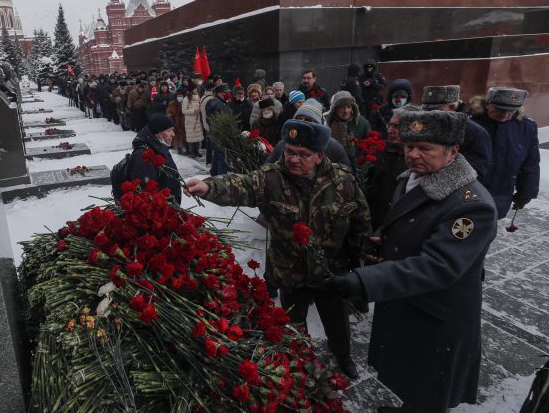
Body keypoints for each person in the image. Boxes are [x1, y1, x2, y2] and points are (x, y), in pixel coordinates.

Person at [328, 109, 497, 413]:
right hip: (406, 301)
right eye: (409, 147)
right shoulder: (413, 179)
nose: (413, 155)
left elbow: (438, 266)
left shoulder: (473, 206)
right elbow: (410, 223)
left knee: (426, 391)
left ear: (452, 152)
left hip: (435, 317)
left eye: (425, 148)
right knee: (402, 379)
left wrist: (367, 280)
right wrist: (384, 239)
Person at [185, 120, 372, 379]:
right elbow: (242, 184)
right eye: (289, 151)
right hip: (290, 271)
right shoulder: (271, 178)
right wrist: (209, 186)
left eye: (302, 154)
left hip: (331, 271)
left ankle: (343, 356)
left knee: (337, 322)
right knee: (293, 326)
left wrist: (357, 257)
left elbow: (360, 219)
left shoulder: (342, 180)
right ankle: (298, 364)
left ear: (319, 156)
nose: (294, 159)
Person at [470, 87, 540, 219]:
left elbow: (530, 164)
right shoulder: (469, 122)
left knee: (485, 234)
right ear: (487, 104)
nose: (506, 115)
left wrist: (525, 193)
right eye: (500, 110)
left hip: (500, 196)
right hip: (466, 194)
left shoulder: (526, 127)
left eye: (512, 111)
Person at [364, 104, 419, 230]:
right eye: (390, 125)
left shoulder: (420, 161)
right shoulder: (382, 150)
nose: (389, 131)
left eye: (396, 126)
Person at [421, 85, 491, 180]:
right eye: (425, 110)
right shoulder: (421, 124)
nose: (428, 114)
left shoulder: (475, 133)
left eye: (434, 110)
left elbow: (476, 170)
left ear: (451, 107)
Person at [128, 113, 182, 205]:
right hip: (160, 212)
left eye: (172, 130)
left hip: (169, 208)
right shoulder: (143, 156)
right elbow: (145, 194)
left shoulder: (159, 147)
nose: (173, 134)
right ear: (158, 133)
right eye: (169, 131)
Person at [324, 91, 371, 169]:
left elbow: (369, 148)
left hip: (357, 168)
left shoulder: (363, 124)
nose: (346, 111)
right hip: (331, 166)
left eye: (348, 107)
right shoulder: (326, 122)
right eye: (342, 107)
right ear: (335, 108)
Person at [205, 84, 234, 176]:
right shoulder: (220, 105)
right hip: (221, 134)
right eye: (225, 93)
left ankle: (214, 173)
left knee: (217, 155)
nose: (228, 94)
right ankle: (222, 178)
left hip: (215, 133)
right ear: (219, 93)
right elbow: (229, 113)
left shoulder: (213, 102)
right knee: (222, 158)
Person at [181, 83, 204, 158]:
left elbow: (199, 106)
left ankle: (196, 151)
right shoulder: (186, 98)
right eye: (195, 88)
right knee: (191, 138)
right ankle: (192, 152)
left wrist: (200, 109)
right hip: (190, 122)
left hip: (197, 120)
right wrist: (194, 111)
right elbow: (183, 111)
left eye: (196, 88)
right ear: (191, 90)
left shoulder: (198, 97)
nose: (196, 90)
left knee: (197, 137)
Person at [166, 88, 187, 155]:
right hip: (174, 121)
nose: (180, 97)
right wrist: (170, 115)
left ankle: (180, 146)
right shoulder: (172, 103)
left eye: (181, 96)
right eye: (178, 96)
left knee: (181, 134)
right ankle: (174, 145)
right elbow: (168, 111)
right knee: (174, 134)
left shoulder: (185, 103)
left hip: (183, 121)